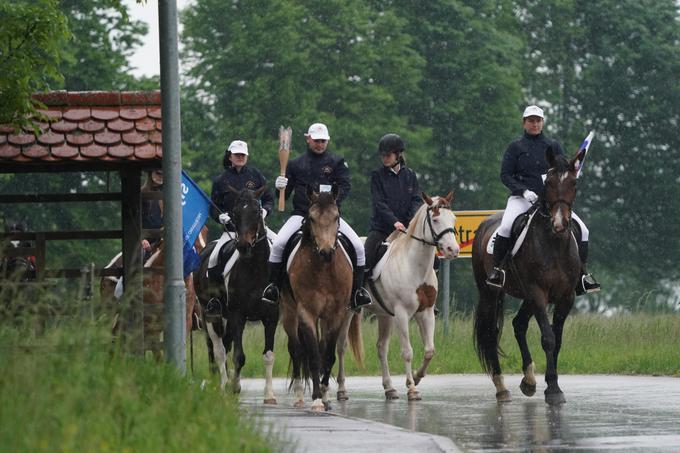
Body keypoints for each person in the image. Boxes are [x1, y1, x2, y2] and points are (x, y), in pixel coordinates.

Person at [486, 105, 601, 295]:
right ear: (524, 123)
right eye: (531, 120)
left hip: (551, 201)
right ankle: (498, 271)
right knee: (506, 227)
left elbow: (563, 171)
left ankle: (582, 275)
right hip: (521, 198)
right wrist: (522, 191)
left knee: (584, 231)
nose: (535, 124)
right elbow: (505, 175)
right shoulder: (515, 147)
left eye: (538, 120)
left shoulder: (553, 146)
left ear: (543, 122)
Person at [261, 122, 372, 312]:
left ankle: (357, 293)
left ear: (327, 141)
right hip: (301, 215)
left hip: (329, 218)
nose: (320, 144)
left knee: (358, 247)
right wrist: (280, 186)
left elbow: (345, 186)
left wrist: (331, 203)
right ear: (308, 139)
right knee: (278, 244)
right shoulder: (295, 164)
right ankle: (274, 288)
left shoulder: (337, 162)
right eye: (316, 140)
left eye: (323, 141)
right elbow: (284, 196)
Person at [208, 139, 274, 283]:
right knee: (213, 259)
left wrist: (265, 211)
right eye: (237, 154)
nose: (240, 157)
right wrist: (220, 217)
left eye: (243, 155)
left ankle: (277, 292)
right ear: (230, 156)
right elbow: (213, 207)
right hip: (232, 230)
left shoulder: (256, 175)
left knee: (279, 250)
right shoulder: (221, 180)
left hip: (257, 230)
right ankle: (216, 299)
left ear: (247, 157)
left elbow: (269, 199)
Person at [364, 133, 422, 275]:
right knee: (366, 259)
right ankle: (359, 292)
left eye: (388, 155)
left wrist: (410, 222)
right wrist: (394, 222)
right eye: (382, 155)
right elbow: (379, 203)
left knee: (434, 260)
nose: (384, 158)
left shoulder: (411, 176)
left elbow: (416, 200)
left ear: (398, 154)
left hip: (406, 230)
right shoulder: (377, 175)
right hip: (381, 229)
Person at [141, 169, 163, 261]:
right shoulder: (141, 193)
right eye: (158, 173)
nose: (160, 176)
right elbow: (133, 221)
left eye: (163, 174)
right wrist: (141, 240)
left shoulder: (169, 195)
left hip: (161, 240)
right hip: (144, 241)